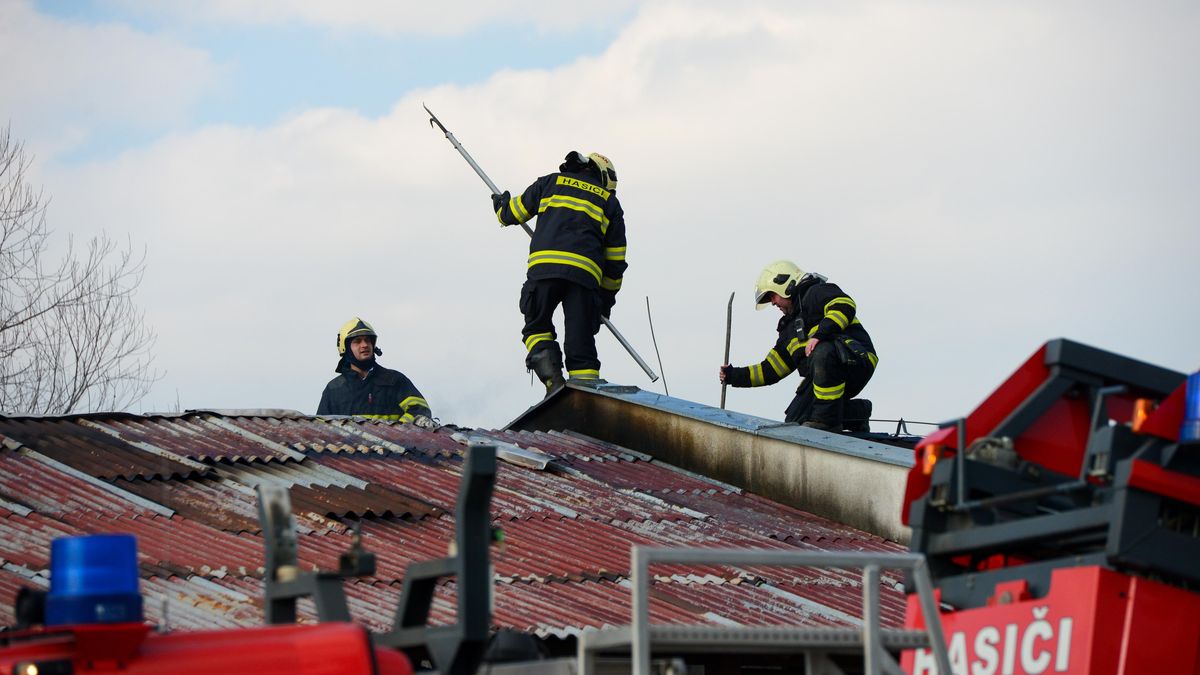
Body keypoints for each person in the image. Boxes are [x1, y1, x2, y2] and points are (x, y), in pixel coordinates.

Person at [492, 151, 627, 395]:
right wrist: (603, 303)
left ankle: (553, 381)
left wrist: (501, 205)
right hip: (585, 278)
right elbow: (615, 263)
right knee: (581, 342)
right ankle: (585, 393)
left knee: (537, 327)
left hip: (545, 270)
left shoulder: (550, 182)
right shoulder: (609, 202)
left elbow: (513, 214)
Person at [720, 261, 877, 431]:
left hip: (856, 361)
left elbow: (845, 305)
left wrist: (819, 335)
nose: (772, 303)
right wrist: (733, 375)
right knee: (795, 422)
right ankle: (857, 414)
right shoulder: (789, 330)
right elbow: (770, 369)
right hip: (825, 374)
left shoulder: (816, 292)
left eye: (772, 296)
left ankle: (826, 422)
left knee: (822, 352)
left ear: (785, 285)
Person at [317, 317, 435, 426]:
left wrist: (397, 431)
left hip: (392, 443)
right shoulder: (334, 389)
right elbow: (321, 429)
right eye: (357, 341)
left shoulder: (394, 380)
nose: (364, 345)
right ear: (345, 348)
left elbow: (420, 410)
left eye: (367, 340)